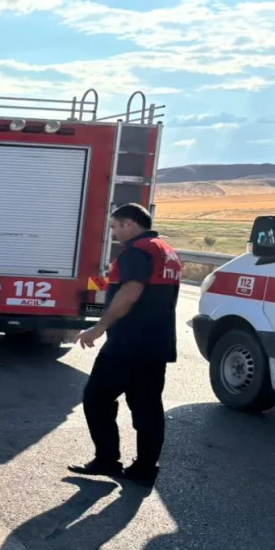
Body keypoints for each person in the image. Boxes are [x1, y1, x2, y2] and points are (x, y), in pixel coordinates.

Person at [69, 203, 182, 488]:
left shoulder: (137, 251)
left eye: (115, 226)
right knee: (147, 407)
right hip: (156, 343)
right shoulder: (167, 251)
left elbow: (131, 292)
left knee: (96, 398)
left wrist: (99, 327)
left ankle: (108, 459)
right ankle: (144, 469)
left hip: (128, 343)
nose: (114, 232)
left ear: (130, 224)